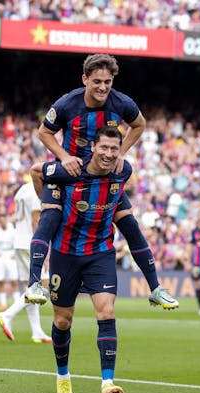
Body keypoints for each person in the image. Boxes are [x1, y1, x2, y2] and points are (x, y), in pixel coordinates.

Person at [26, 53, 178, 310]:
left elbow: (139, 124)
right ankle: (33, 283)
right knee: (50, 219)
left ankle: (155, 288)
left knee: (130, 227)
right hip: (70, 175)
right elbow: (44, 132)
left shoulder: (122, 103)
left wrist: (121, 152)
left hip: (104, 174)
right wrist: (64, 157)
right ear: (85, 79)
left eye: (107, 81)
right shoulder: (67, 104)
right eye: (97, 81)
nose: (103, 87)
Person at [30, 126, 130, 393]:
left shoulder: (123, 171)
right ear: (93, 148)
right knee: (63, 320)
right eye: (104, 147)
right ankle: (63, 378)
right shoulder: (69, 169)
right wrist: (51, 206)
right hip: (65, 253)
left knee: (106, 311)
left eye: (114, 148)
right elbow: (37, 171)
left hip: (100, 252)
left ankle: (107, 384)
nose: (109, 153)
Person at [0, 181, 52, 343]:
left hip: (19, 242)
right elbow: (35, 219)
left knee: (31, 287)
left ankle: (37, 331)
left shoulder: (22, 190)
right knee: (44, 286)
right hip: (31, 243)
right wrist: (42, 247)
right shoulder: (38, 190)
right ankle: (7, 315)